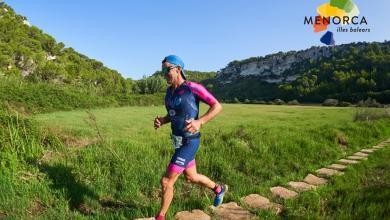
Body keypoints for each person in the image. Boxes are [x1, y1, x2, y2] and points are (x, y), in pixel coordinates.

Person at [153, 55, 227, 220]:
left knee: (166, 181)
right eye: (162, 70)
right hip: (178, 141)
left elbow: (217, 106)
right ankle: (218, 189)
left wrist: (200, 121)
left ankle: (160, 217)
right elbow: (173, 114)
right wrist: (162, 121)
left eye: (167, 69)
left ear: (178, 69)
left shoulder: (193, 88)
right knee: (191, 177)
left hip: (190, 141)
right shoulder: (169, 91)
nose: (164, 73)